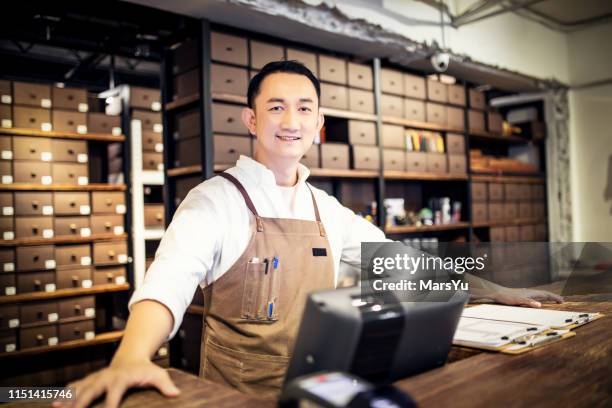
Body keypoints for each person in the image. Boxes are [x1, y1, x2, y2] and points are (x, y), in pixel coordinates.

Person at [55, 60, 563, 408]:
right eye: (276, 108)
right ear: (251, 121)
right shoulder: (215, 201)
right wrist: (130, 357)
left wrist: (503, 294)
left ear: (318, 123)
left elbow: (407, 262)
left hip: (317, 395)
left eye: (304, 108)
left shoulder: (326, 209)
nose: (290, 121)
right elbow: (166, 285)